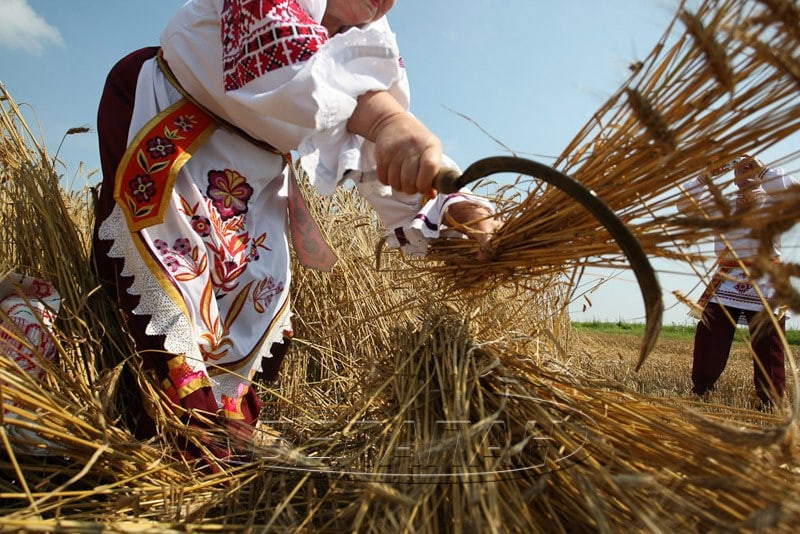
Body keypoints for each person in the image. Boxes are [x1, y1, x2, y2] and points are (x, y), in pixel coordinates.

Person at [91, 0, 499, 464]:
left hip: (255, 169)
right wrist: (386, 120)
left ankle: (231, 424)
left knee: (250, 289)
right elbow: (295, 69)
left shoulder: (367, 30)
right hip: (176, 120)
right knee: (177, 289)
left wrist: (447, 201)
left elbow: (374, 145)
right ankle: (183, 441)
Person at [678, 155, 798, 410]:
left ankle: (770, 402)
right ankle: (701, 392)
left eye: (749, 168)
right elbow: (684, 206)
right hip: (727, 279)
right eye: (739, 169)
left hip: (765, 279)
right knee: (710, 337)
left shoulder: (775, 201)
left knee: (769, 343)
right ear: (732, 177)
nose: (744, 173)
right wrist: (705, 175)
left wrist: (765, 172)